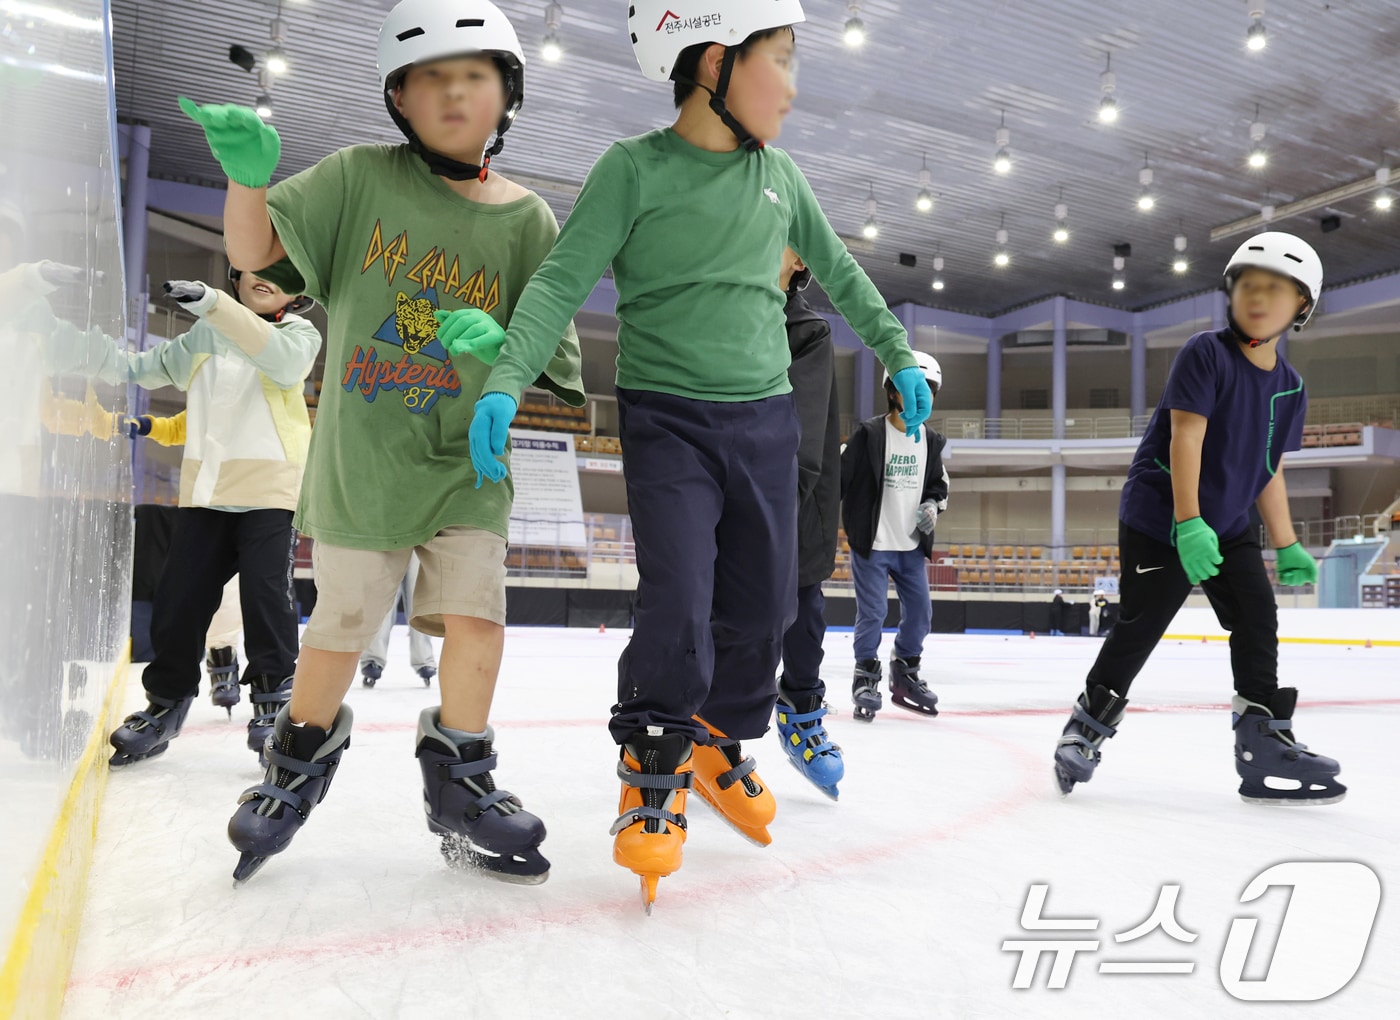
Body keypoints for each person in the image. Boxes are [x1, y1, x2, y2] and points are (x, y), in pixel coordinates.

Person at [449, 0, 927, 910]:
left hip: (766, 417)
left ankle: (713, 739)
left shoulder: (782, 176)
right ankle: (652, 758)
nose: (792, 83)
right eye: (779, 59)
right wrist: (508, 377)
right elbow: (559, 278)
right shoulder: (634, 170)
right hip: (668, 417)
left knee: (769, 601)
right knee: (678, 594)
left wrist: (898, 352)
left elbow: (844, 274)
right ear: (713, 60)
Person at [185, 0, 583, 884]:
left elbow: (553, 355)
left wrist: (503, 346)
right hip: (366, 457)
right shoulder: (359, 178)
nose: (452, 93)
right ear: (398, 98)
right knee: (337, 631)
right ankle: (293, 769)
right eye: (429, 79)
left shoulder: (530, 223)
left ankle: (463, 779)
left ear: (505, 93)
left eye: (472, 76)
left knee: (478, 621)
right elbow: (259, 262)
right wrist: (249, 181)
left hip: (468, 464)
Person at [1054, 232, 1344, 806]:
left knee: (1257, 617)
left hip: (1231, 520)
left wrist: (1285, 542)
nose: (1258, 299)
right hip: (1163, 513)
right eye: (1248, 286)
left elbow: (1269, 468)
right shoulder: (1206, 353)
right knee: (1143, 624)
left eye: (1276, 290)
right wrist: (1187, 523)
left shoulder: (1290, 388)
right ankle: (1085, 727)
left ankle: (1264, 740)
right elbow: (1188, 436)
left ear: (1302, 307)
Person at [49, 268, 320, 768]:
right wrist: (67, 344)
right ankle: (166, 704)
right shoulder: (203, 335)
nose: (265, 279)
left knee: (266, 596)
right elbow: (143, 368)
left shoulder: (298, 335)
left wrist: (214, 302)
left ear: (299, 295)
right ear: (238, 276)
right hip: (206, 492)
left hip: (271, 491)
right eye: (256, 271)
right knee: (179, 599)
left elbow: (281, 364)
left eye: (281, 276)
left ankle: (272, 703)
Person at [840, 353, 948, 723]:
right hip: (872, 544)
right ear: (892, 393)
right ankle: (865, 678)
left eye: (929, 390)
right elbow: (840, 479)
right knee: (873, 612)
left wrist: (933, 506)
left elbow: (939, 485)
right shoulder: (869, 434)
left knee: (921, 614)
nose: (923, 395)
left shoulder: (931, 441)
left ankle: (905, 670)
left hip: (910, 547)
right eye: (915, 389)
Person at [773, 248, 843, 800]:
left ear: (799, 265)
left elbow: (805, 429)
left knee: (802, 612)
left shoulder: (808, 331)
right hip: (724, 490)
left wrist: (777, 500)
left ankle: (801, 709)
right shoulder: (715, 308)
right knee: (702, 613)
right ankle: (686, 731)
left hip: (791, 498)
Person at [128, 411, 246, 713]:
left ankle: (223, 660)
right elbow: (181, 425)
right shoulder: (211, 397)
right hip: (205, 508)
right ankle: (209, 666)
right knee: (193, 592)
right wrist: (148, 425)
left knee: (232, 597)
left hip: (253, 507)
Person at [359, 552, 439, 688]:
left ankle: (424, 660)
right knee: (382, 599)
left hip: (422, 536)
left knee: (420, 596)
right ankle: (373, 659)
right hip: (387, 537)